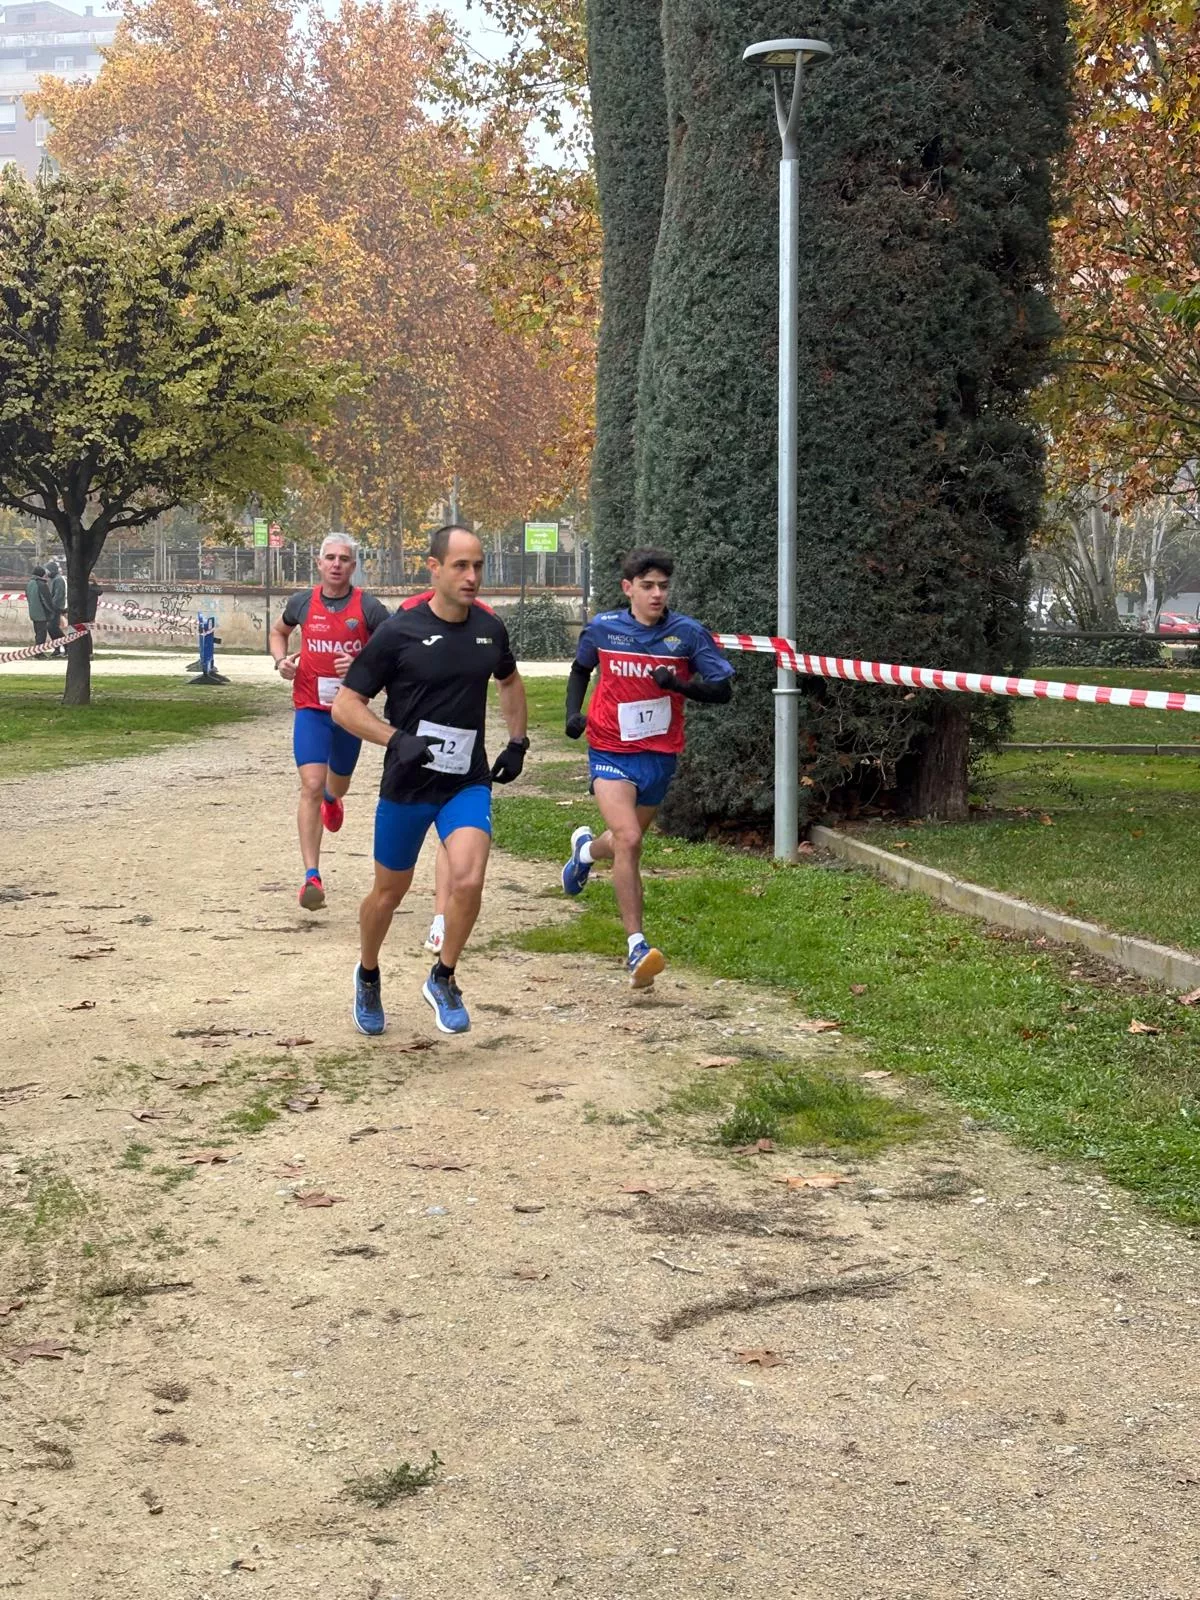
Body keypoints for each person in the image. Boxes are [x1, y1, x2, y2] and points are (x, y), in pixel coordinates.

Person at [331, 525, 529, 1036]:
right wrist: (396, 739)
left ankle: (443, 976)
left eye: (479, 565)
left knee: (468, 878)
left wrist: (517, 741)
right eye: (461, 566)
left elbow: (508, 679)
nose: (472, 576)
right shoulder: (399, 633)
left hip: (466, 780)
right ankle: (368, 973)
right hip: (408, 782)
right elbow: (345, 706)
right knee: (388, 894)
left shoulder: (490, 630)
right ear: (434, 569)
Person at [561, 547, 734, 987]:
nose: (657, 594)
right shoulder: (603, 629)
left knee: (622, 843)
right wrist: (571, 714)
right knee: (630, 838)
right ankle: (636, 945)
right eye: (647, 586)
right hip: (610, 749)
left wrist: (677, 684)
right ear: (628, 589)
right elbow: (581, 669)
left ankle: (583, 853)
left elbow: (723, 690)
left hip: (659, 756)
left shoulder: (687, 634)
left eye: (663, 586)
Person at [269, 532, 390, 910]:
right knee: (310, 783)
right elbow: (279, 631)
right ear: (319, 563)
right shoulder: (302, 603)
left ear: (354, 567)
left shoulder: (369, 608)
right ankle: (311, 877)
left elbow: (392, 653)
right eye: (330, 558)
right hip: (310, 708)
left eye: (344, 559)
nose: (336, 564)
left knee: (336, 785)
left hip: (350, 712)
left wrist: (361, 664)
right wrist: (281, 661)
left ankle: (332, 799)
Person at [44, 558, 67, 656]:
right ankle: (57, 647)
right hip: (54, 608)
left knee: (53, 628)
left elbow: (58, 595)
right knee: (51, 628)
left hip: (56, 608)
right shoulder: (53, 579)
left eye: (48, 570)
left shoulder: (58, 580)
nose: (47, 573)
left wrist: (51, 606)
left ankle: (66, 646)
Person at [25, 565, 50, 648]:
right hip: (41, 613)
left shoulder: (29, 583)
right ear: (41, 574)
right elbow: (46, 600)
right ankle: (38, 652)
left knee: (38, 633)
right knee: (42, 634)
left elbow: (28, 597)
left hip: (33, 613)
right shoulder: (41, 584)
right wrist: (52, 611)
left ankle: (37, 651)